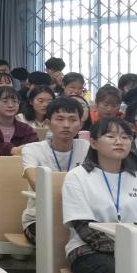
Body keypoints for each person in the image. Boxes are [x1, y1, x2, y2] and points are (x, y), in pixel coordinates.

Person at [61, 117, 137, 273]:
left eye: (125, 137)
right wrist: (123, 250)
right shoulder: (78, 176)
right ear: (94, 143)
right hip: (89, 250)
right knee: (122, 272)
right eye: (110, 136)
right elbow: (82, 225)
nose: (119, 142)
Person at [20, 96, 89, 244]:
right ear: (48, 123)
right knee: (56, 237)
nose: (66, 125)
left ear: (80, 124)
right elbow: (37, 184)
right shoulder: (32, 150)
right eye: (59, 119)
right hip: (39, 218)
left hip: (78, 218)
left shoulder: (87, 148)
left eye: (72, 119)